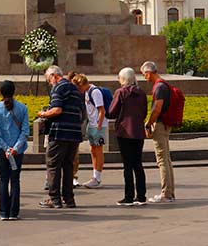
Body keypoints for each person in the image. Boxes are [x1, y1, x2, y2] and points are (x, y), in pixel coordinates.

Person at [37, 65, 83, 209]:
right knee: (68, 166)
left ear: (53, 76)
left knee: (53, 165)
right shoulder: (75, 89)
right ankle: (69, 199)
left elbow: (57, 109)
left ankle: (55, 199)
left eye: (49, 80)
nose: (50, 83)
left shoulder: (58, 88)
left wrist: (43, 114)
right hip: (74, 133)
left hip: (59, 133)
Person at [0, 80, 29, 221]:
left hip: (1, 149)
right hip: (17, 151)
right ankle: (14, 212)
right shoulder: (22, 108)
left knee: (3, 179)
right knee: (15, 180)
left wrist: (5, 148)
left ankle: (3, 212)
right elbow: (25, 131)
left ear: (0, 92)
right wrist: (15, 148)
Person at [107, 67, 147, 206]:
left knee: (127, 165)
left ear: (123, 79)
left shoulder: (121, 92)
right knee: (138, 164)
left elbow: (112, 112)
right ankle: (141, 196)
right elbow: (144, 112)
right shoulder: (141, 93)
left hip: (124, 132)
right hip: (138, 131)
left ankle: (129, 196)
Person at [140, 61, 176, 203]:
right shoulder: (164, 84)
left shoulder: (159, 87)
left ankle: (166, 194)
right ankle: (170, 192)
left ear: (149, 72)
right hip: (165, 124)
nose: (144, 78)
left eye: (144, 75)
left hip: (160, 125)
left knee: (161, 160)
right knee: (166, 159)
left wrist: (149, 123)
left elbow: (157, 108)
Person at [74, 74, 106, 188]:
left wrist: (99, 126)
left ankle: (97, 178)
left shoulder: (95, 92)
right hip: (92, 124)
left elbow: (102, 110)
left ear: (82, 84)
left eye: (78, 88)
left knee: (98, 150)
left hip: (97, 125)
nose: (78, 90)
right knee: (93, 150)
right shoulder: (87, 92)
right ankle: (94, 176)